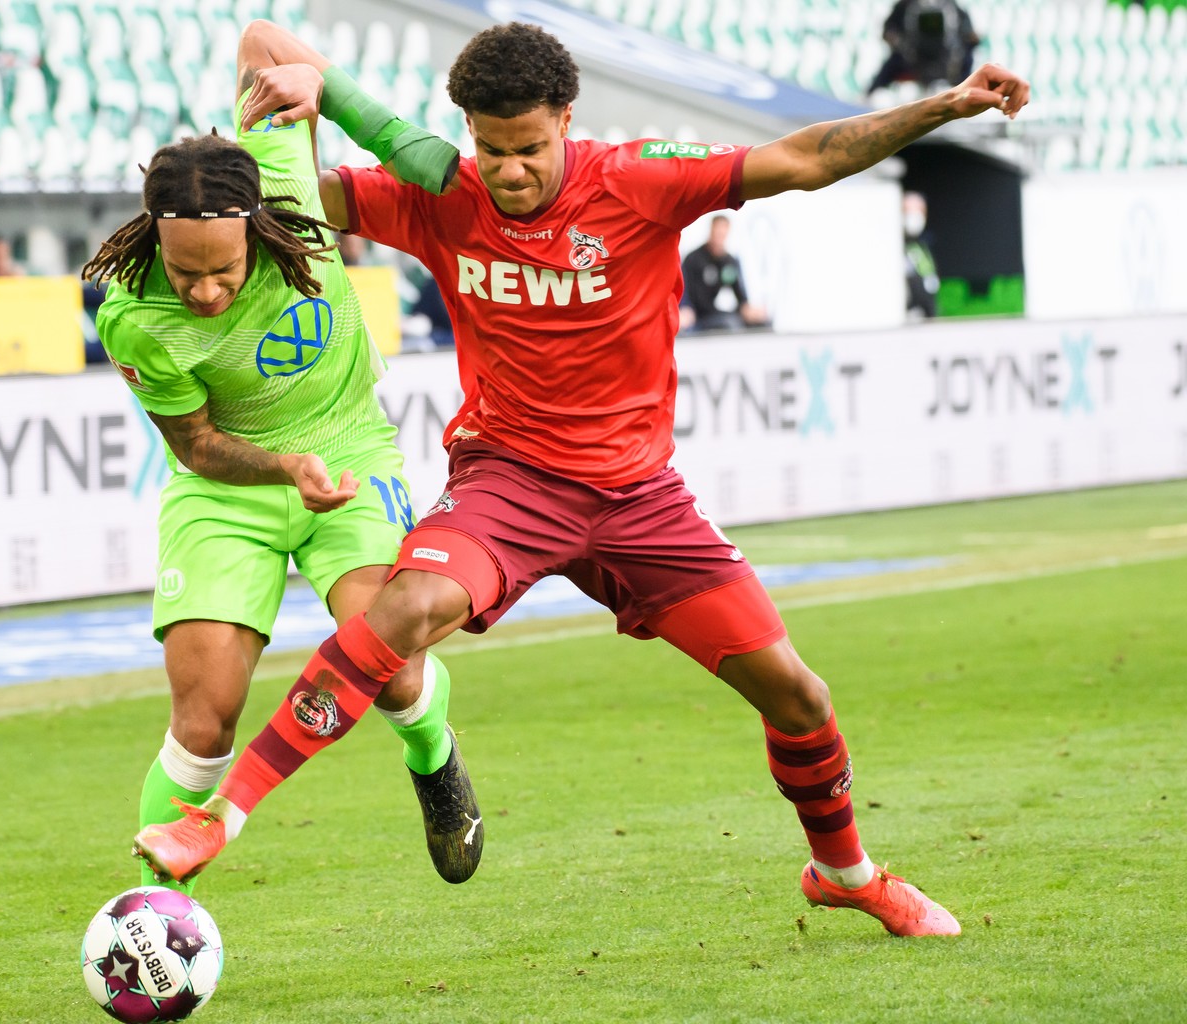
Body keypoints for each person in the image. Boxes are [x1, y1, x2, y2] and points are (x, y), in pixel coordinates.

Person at [135, 19, 1028, 938]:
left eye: (529, 148)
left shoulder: (639, 179)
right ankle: (220, 815)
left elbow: (803, 158)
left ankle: (846, 872)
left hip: (641, 498)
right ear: (466, 133)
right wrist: (286, 132)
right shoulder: (442, 194)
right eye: (489, 148)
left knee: (798, 695)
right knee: (394, 619)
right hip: (509, 484)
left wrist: (946, 105)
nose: (510, 171)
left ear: (568, 118)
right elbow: (272, 167)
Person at [90, 21, 482, 891]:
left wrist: (328, 90)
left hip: (350, 449)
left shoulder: (289, 183)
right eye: (184, 271)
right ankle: (157, 916)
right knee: (205, 717)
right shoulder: (131, 313)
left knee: (390, 668)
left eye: (221, 272)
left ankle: (433, 756)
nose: (203, 291)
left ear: (256, 224)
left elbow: (262, 37)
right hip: (229, 486)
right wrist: (280, 470)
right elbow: (194, 445)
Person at [868, 0, 981, 94]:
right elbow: (888, 30)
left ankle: (969, 93)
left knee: (967, 53)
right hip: (911, 59)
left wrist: (971, 38)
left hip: (947, 60)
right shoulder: (905, 5)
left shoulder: (952, 7)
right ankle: (869, 97)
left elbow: (970, 34)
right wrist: (895, 40)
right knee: (892, 63)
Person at [679, 215, 769, 332]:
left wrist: (749, 310)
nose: (719, 238)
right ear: (711, 231)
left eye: (722, 234)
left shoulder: (730, 262)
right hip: (700, 316)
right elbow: (684, 291)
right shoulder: (694, 259)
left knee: (764, 323)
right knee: (729, 324)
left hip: (724, 315)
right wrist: (685, 309)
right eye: (717, 233)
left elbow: (740, 296)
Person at [902, 191, 940, 319]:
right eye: (909, 211)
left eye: (919, 211)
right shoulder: (893, 247)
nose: (915, 216)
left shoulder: (921, 245)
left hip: (925, 316)